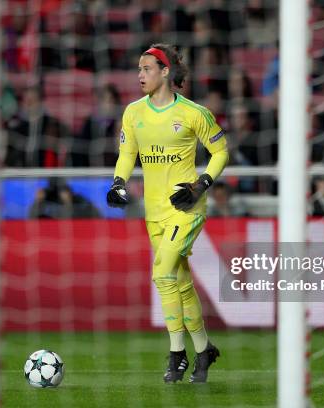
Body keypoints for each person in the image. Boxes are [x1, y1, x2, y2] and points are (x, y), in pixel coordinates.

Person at [106, 43, 228, 384]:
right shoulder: (133, 112)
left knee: (162, 272)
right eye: (139, 69)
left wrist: (201, 184)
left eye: (146, 68)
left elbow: (220, 151)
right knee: (181, 281)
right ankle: (204, 349)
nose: (139, 74)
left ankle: (177, 354)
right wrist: (118, 182)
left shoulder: (193, 113)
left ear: (165, 72)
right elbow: (127, 152)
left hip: (187, 206)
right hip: (154, 210)